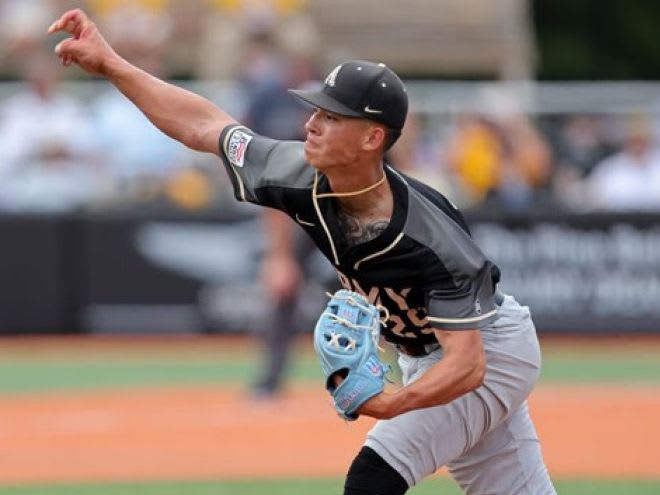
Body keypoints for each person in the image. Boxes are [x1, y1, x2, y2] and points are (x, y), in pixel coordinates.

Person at [48, 9, 556, 494]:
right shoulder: (295, 172)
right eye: (316, 109)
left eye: (333, 116)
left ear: (372, 137)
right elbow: (204, 126)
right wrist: (112, 64)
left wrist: (396, 401)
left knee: (371, 479)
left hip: (488, 352)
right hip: (427, 357)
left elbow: (468, 366)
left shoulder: (430, 238)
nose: (312, 123)